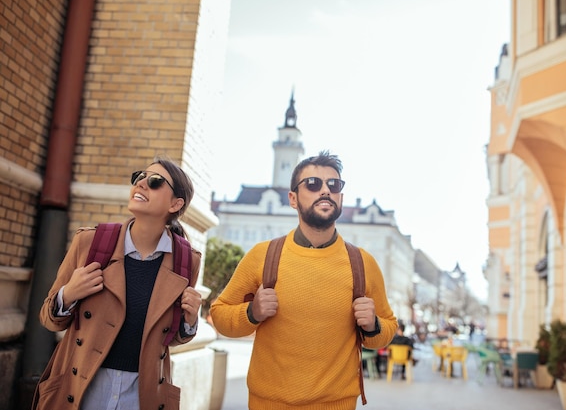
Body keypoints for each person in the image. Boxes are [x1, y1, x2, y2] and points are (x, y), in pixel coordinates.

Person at [211, 150, 398, 410]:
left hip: (337, 404)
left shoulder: (362, 263)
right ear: (293, 198)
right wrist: (252, 312)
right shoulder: (263, 256)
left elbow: (387, 330)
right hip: (268, 404)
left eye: (333, 185)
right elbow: (220, 315)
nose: (325, 191)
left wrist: (373, 325)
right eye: (313, 184)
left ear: (340, 197)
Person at [32, 156, 203, 410]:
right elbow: (49, 319)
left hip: (142, 395)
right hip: (81, 390)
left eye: (155, 182)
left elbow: (170, 338)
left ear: (175, 203)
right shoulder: (89, 243)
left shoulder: (186, 260)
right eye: (139, 177)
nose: (142, 184)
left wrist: (190, 322)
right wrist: (68, 294)